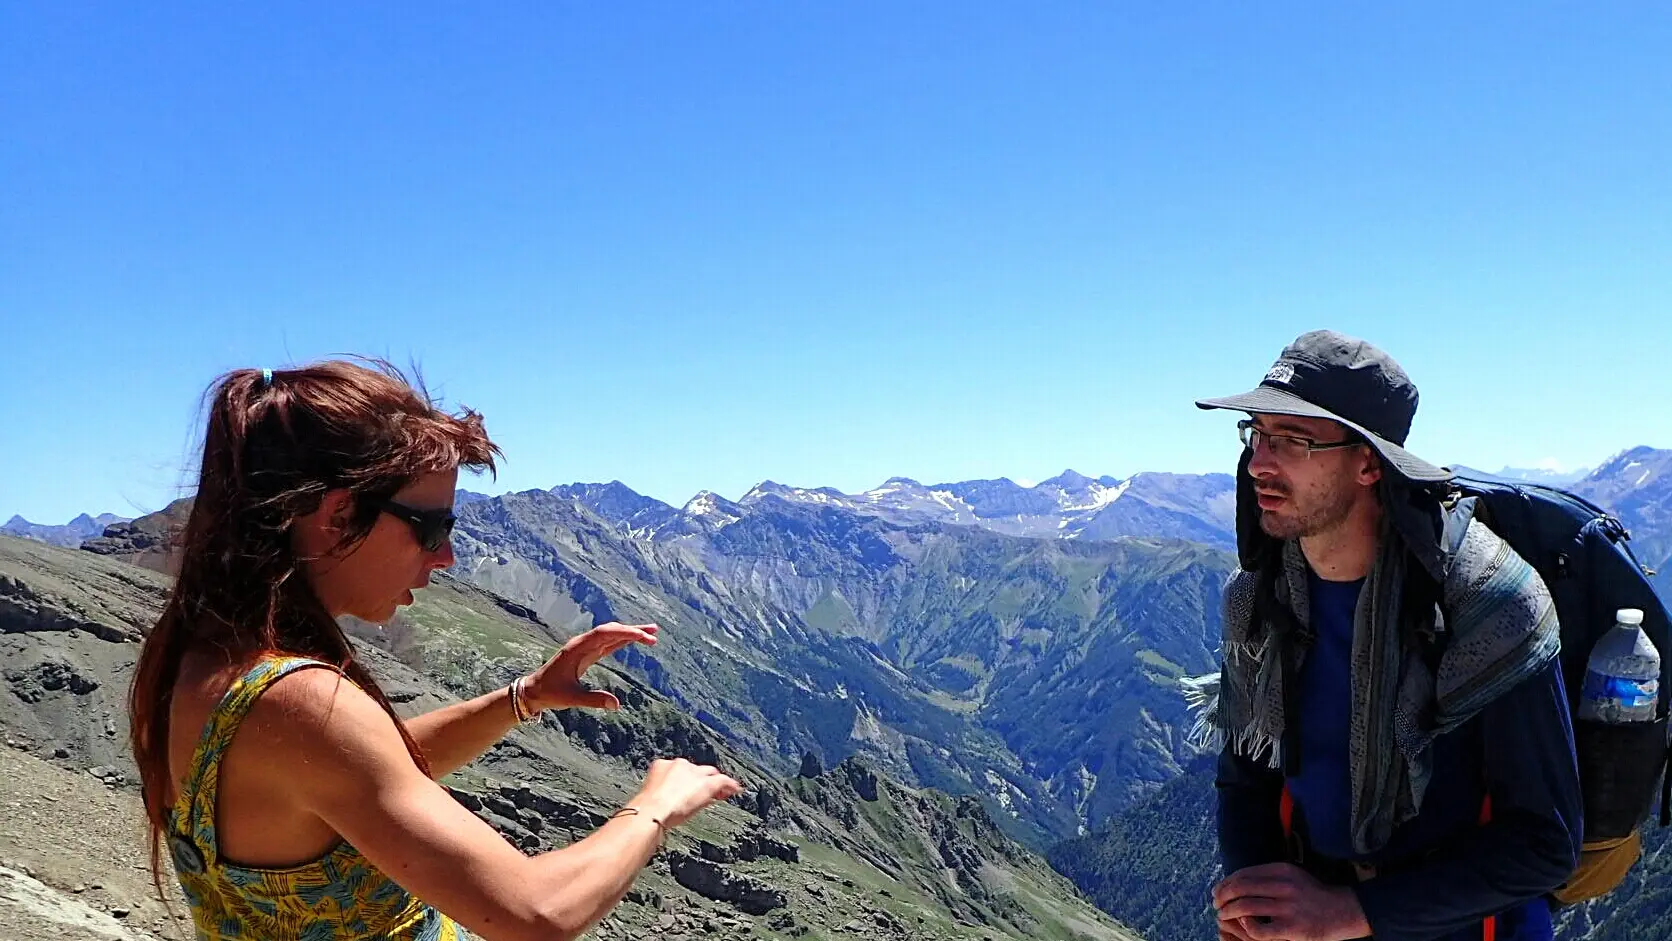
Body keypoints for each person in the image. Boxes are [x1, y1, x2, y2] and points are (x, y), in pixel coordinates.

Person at [129, 361, 742, 941]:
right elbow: (537, 914)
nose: (445, 558)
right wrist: (655, 805)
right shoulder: (301, 703)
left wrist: (523, 698)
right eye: (432, 529)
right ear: (339, 515)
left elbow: (358, 772)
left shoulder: (201, 657)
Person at [1193, 331, 1582, 941]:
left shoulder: (1490, 603)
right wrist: (1255, 899)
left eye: (1294, 440)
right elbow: (1247, 774)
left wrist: (1353, 912)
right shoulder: (1257, 599)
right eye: (1258, 434)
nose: (1259, 463)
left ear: (1369, 462)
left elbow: (1542, 843)